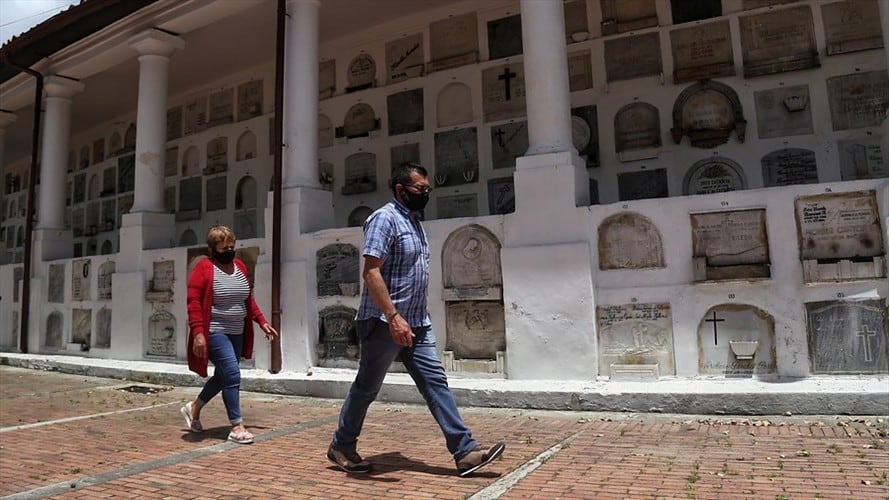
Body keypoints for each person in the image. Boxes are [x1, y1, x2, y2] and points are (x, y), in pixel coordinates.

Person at [327, 163, 505, 477]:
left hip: (416, 324)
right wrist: (393, 316)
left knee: (435, 384)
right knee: (367, 388)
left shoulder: (415, 221)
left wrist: (409, 318)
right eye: (419, 189)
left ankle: (464, 450)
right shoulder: (385, 219)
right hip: (384, 323)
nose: (425, 194)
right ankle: (342, 444)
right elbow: (371, 271)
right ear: (400, 190)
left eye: (426, 189)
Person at [181, 225, 278, 444]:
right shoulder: (204, 268)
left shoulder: (240, 266)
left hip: (237, 331)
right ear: (213, 248)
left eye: (232, 246)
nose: (229, 250)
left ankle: (194, 408)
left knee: (224, 375)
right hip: (215, 331)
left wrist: (261, 321)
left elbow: (247, 299)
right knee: (233, 374)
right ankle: (236, 426)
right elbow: (193, 302)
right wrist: (198, 333)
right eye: (224, 247)